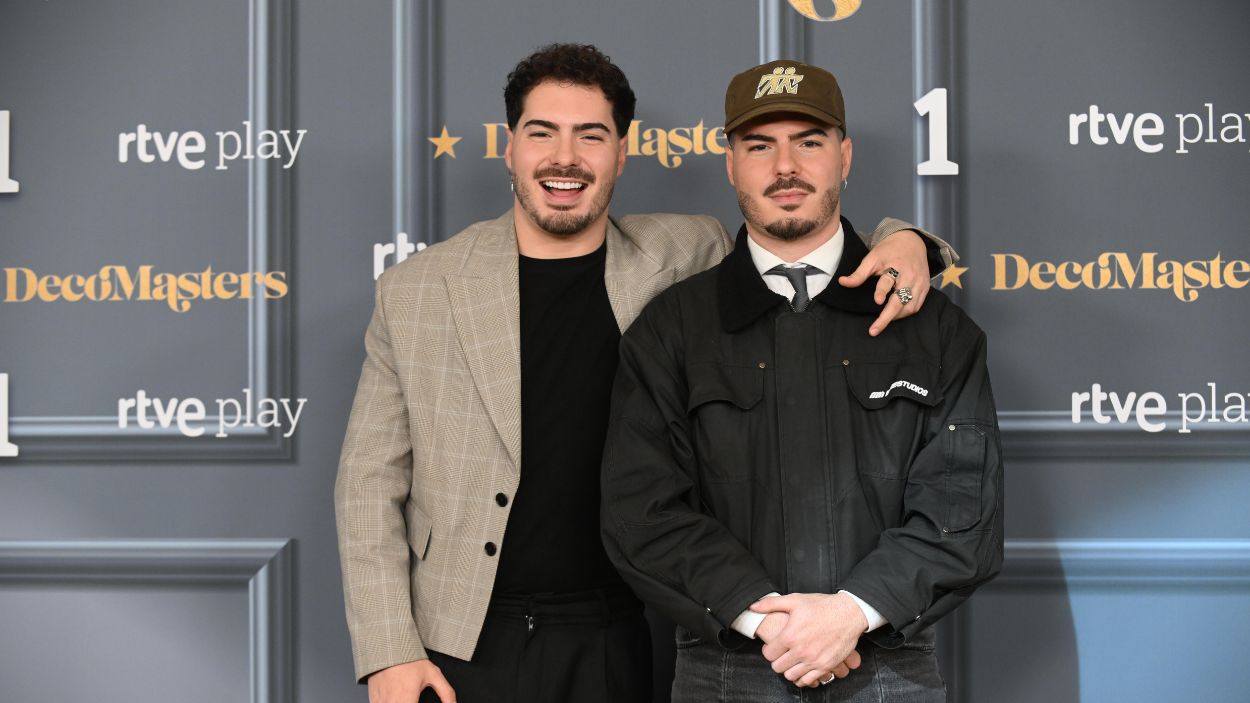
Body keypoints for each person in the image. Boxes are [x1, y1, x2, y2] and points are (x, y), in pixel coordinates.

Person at [336, 44, 957, 703]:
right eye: (541, 132)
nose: (565, 158)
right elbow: (367, 485)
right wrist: (389, 653)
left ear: (622, 152)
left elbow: (801, 235)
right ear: (510, 146)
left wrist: (911, 242)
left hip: (624, 633)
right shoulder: (418, 289)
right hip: (458, 643)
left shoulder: (687, 250)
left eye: (591, 136)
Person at [600, 59, 1004, 702]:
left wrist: (851, 615)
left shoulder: (934, 330)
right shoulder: (671, 330)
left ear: (845, 156)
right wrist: (771, 623)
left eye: (808, 142)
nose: (785, 166)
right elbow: (642, 512)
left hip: (890, 670)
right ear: (730, 163)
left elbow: (962, 509)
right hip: (724, 671)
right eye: (760, 146)